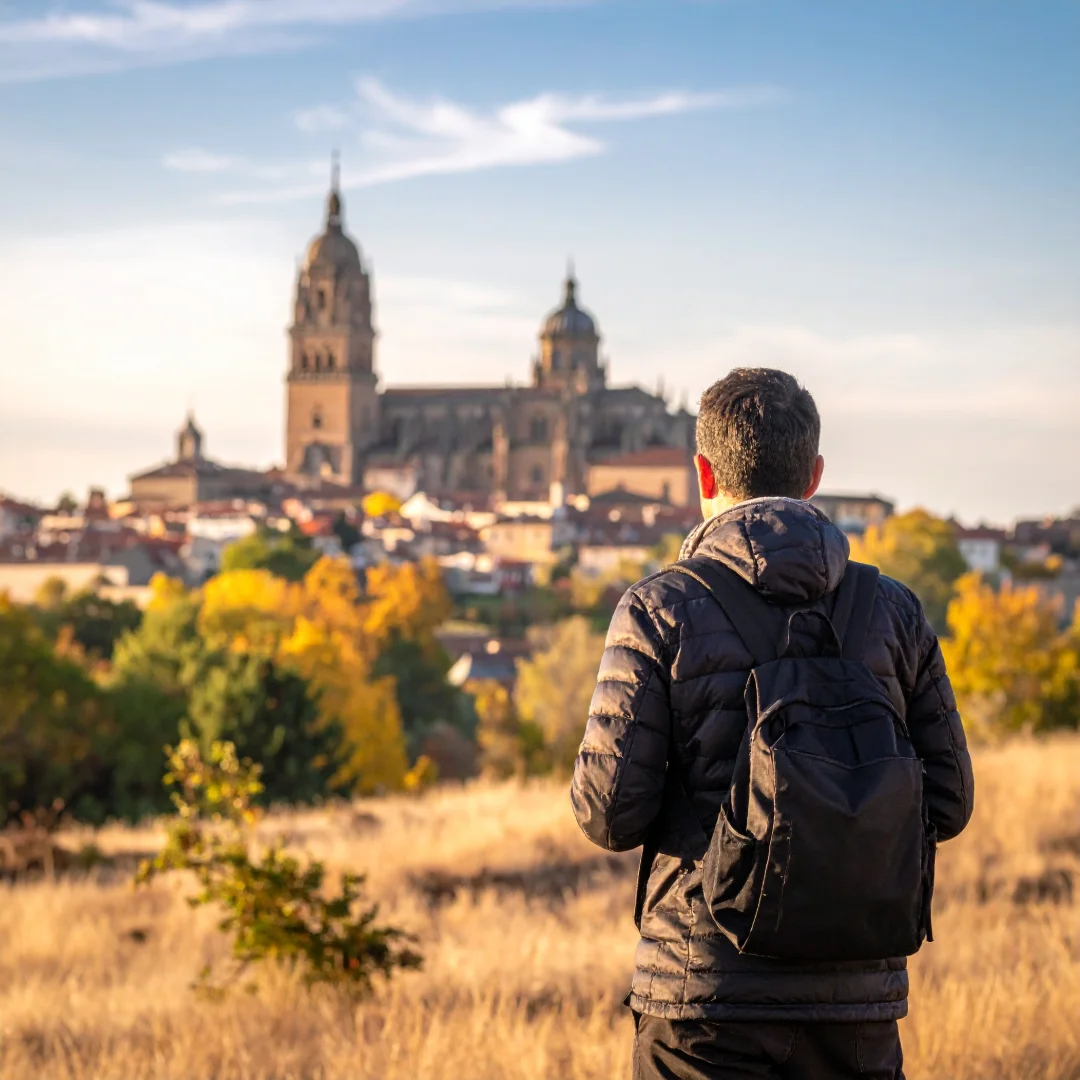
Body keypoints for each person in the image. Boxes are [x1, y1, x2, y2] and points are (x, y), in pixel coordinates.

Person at [571, 368, 974, 1080]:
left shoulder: (658, 609)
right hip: (859, 1009)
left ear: (702, 472)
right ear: (814, 475)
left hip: (704, 1005)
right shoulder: (896, 610)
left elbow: (608, 815)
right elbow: (949, 801)